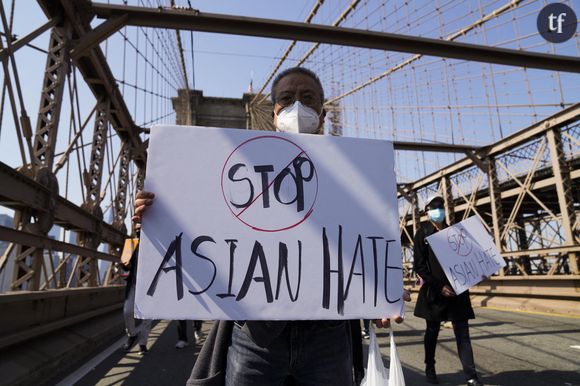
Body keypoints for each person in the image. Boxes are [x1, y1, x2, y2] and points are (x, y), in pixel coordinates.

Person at [134, 67, 405, 386]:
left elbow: (366, 242)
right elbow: (204, 223)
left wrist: (380, 296)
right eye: (287, 99)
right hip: (255, 336)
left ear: (323, 112)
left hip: (328, 338)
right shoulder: (238, 169)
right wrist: (158, 215)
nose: (297, 107)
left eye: (308, 98)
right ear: (273, 114)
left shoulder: (358, 173)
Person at [413, 195, 483, 386]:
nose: (439, 211)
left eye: (441, 207)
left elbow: (468, 257)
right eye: (435, 208)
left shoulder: (455, 231)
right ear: (428, 211)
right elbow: (419, 266)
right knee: (432, 331)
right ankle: (430, 368)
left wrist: (478, 270)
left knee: (462, 333)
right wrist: (438, 286)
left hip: (458, 290)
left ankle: (471, 376)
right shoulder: (422, 234)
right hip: (435, 293)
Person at [122, 223, 153, 355]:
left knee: (147, 316)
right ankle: (132, 334)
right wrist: (125, 262)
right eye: (137, 229)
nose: (139, 231)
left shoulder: (154, 245)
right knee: (127, 311)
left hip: (149, 285)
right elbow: (124, 266)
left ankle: (142, 344)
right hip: (134, 284)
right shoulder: (131, 244)